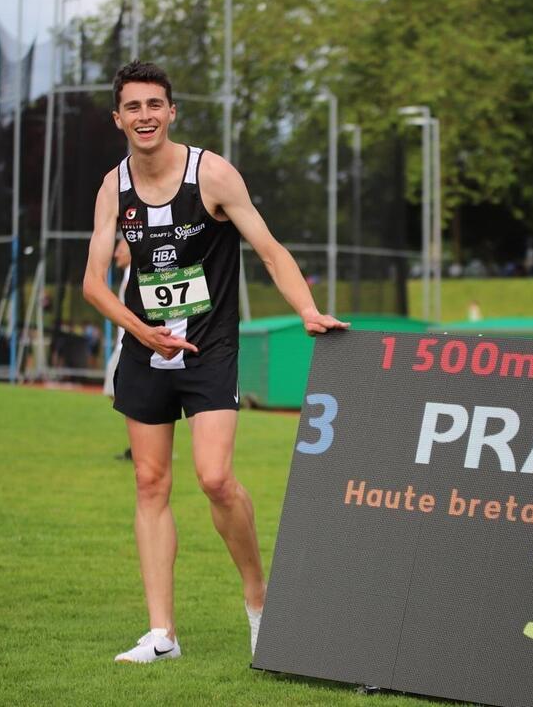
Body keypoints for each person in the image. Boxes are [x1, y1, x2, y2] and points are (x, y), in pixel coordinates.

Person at [82, 60, 348, 665]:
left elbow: (270, 249)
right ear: (118, 118)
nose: (144, 116)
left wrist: (306, 309)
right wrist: (142, 334)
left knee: (214, 478)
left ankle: (259, 601)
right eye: (133, 107)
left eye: (155, 105)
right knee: (150, 482)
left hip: (209, 348)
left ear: (171, 111)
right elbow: (94, 286)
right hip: (146, 349)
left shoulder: (212, 174)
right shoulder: (112, 188)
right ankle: (162, 635)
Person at [102, 237, 133, 460]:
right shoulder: (128, 274)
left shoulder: (136, 274)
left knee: (122, 395)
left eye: (120, 249)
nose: (116, 254)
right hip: (123, 345)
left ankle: (142, 446)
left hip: (128, 346)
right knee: (117, 395)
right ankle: (142, 444)